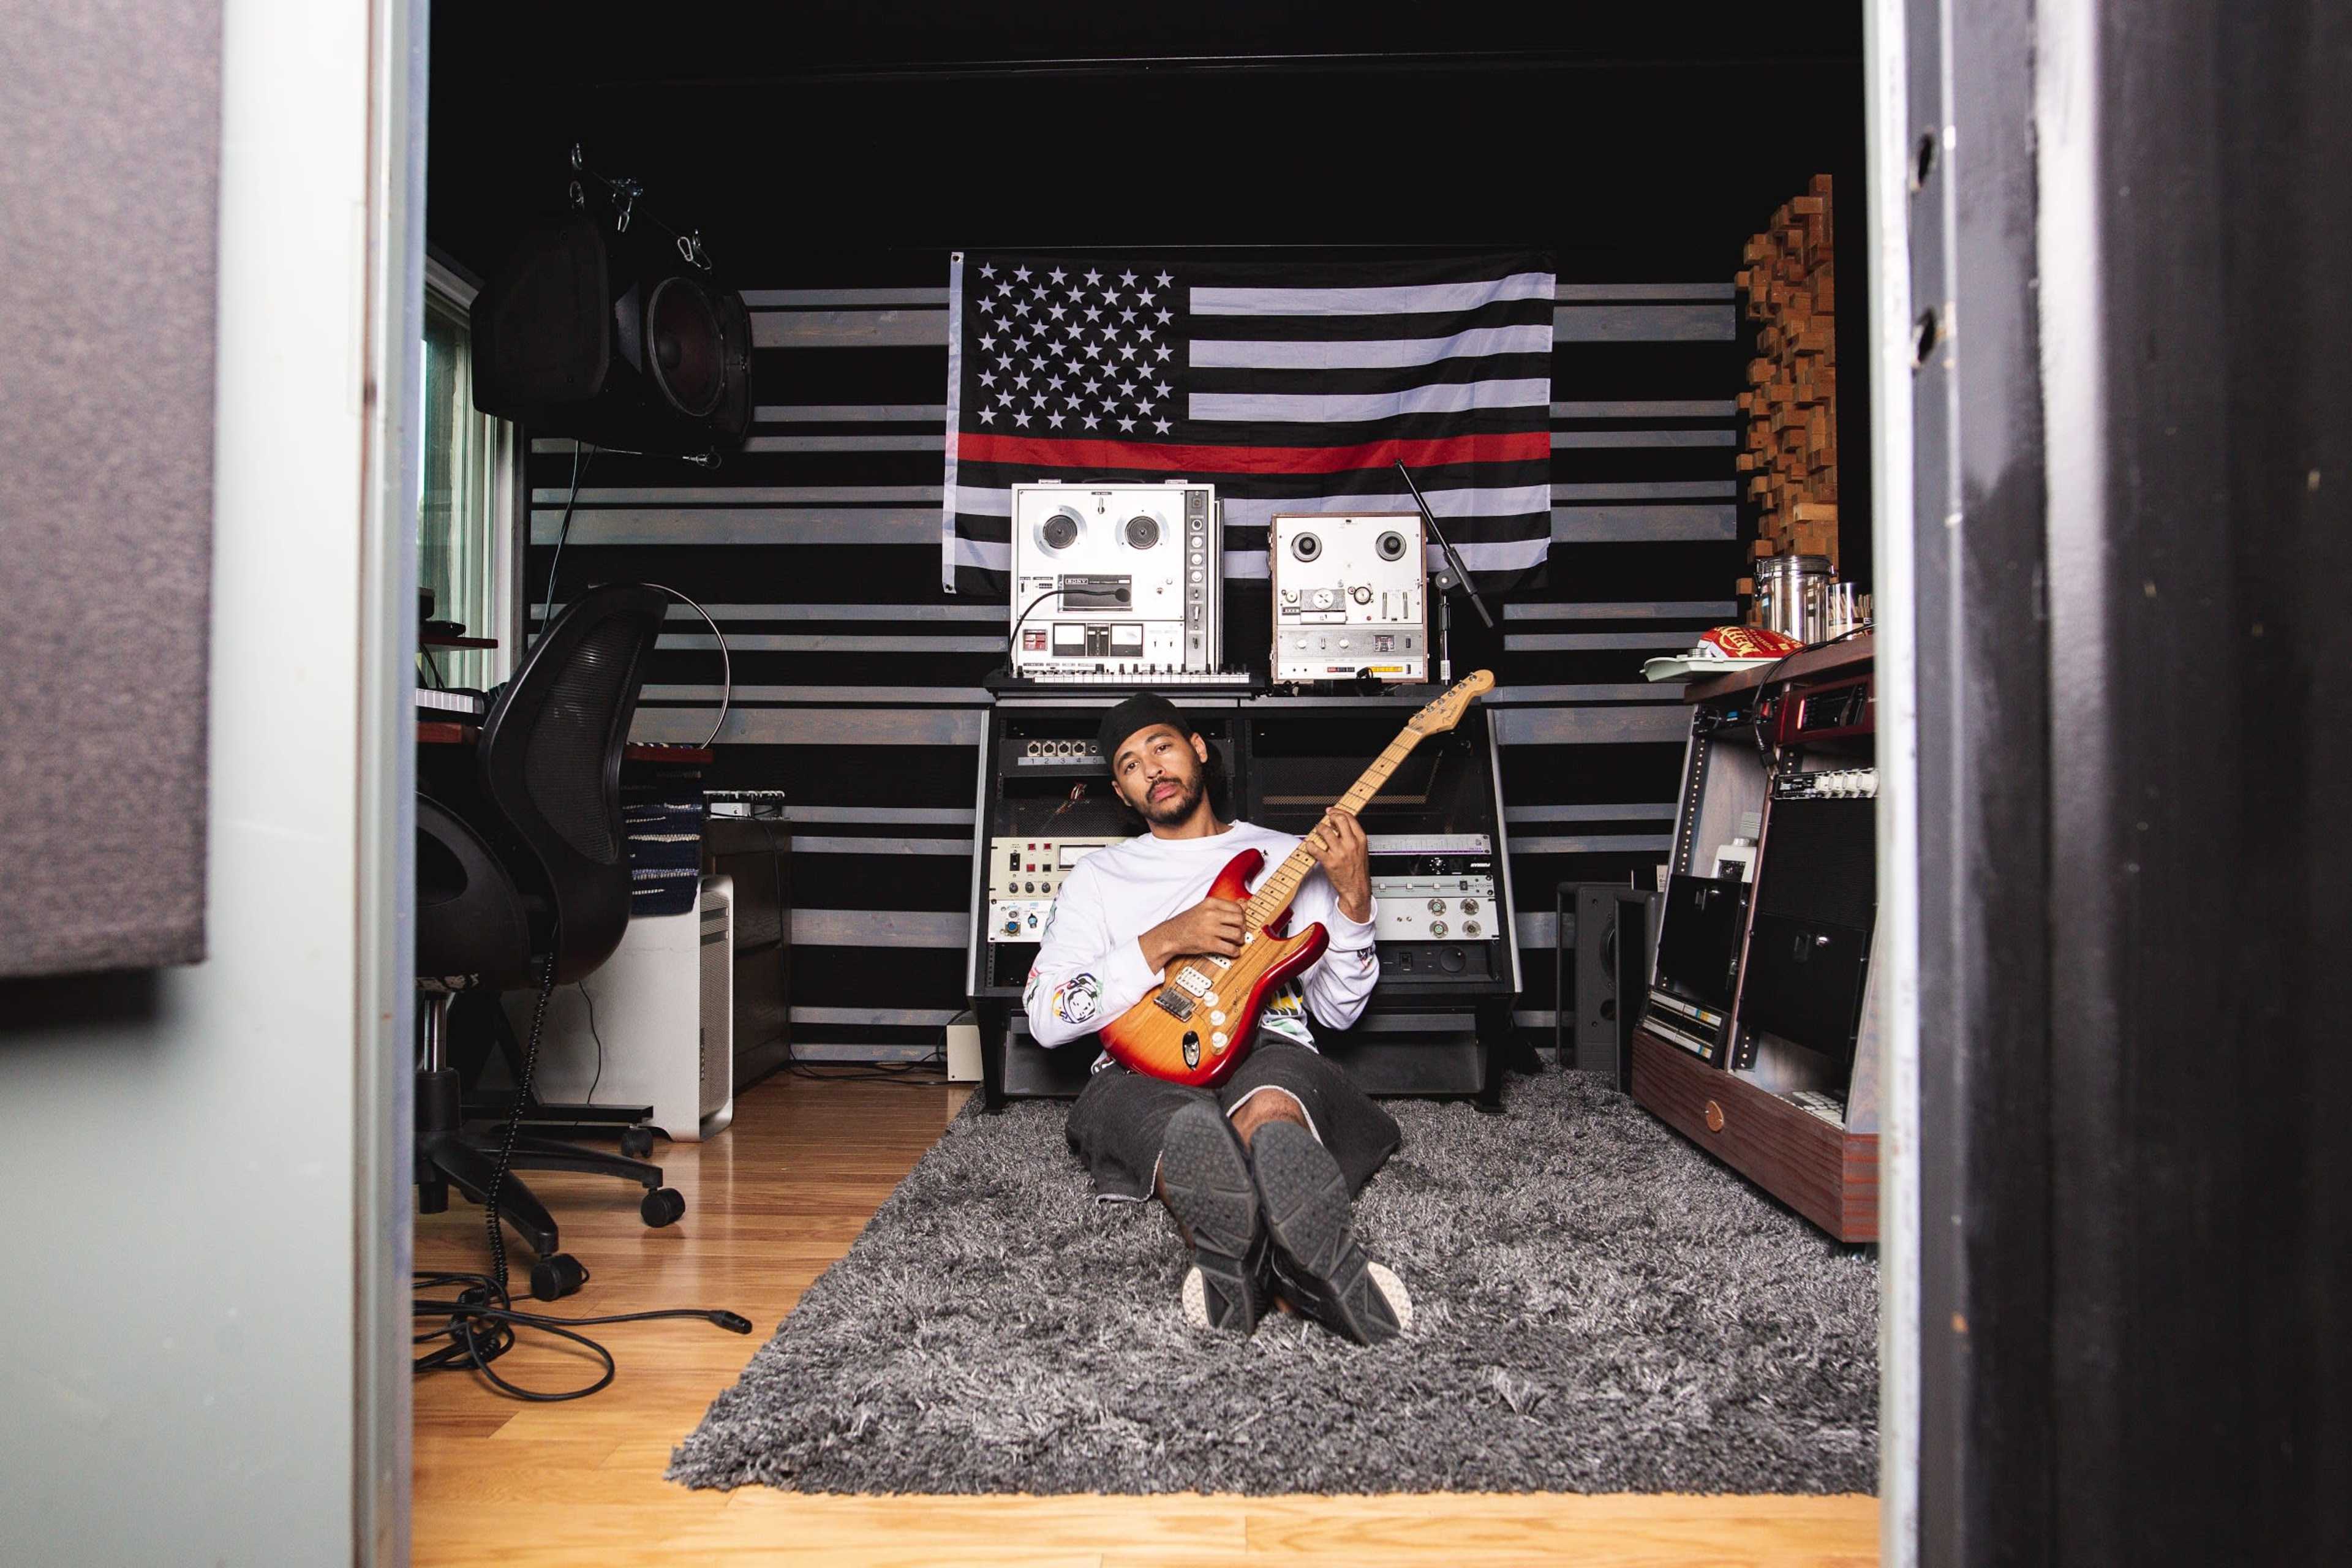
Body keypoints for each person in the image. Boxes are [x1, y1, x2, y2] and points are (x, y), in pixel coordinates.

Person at [1023, 693, 1412, 1344]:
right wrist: (1165, 939)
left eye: (1162, 746)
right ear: (1122, 794)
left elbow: (1339, 1011)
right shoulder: (1099, 877)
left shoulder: (1292, 855)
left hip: (1268, 1041)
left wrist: (1355, 898)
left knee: (1273, 1112)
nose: (1152, 768)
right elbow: (1046, 1014)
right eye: (1129, 764)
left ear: (1198, 749)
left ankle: (1263, 1259)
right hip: (1140, 1057)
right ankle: (1280, 1263)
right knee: (1185, 1128)